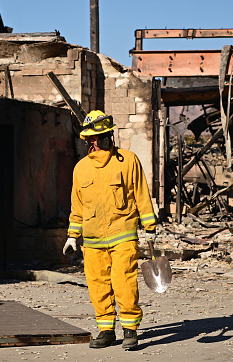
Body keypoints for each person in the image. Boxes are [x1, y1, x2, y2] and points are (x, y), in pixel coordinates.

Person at [62, 110, 157, 350]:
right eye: (91, 139)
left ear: (109, 136)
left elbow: (141, 193)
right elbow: (77, 205)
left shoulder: (128, 160)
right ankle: (106, 331)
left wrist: (150, 226)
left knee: (123, 281)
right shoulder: (81, 169)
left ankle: (130, 330)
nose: (96, 143)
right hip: (92, 239)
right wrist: (72, 236)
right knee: (97, 284)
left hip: (123, 233)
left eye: (101, 137)